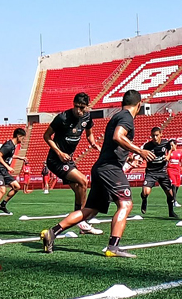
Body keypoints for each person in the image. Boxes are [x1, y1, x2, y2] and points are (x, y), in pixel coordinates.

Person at [40, 90, 155, 257]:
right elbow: (118, 137)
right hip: (109, 169)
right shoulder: (127, 118)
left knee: (90, 210)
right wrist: (139, 150)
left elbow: (113, 143)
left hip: (101, 167)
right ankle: (113, 247)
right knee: (125, 204)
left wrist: (129, 158)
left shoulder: (117, 116)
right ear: (139, 105)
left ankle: (52, 232)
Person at [42, 92, 103, 234]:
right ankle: (80, 220)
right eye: (76, 107)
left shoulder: (87, 117)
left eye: (82, 108)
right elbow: (46, 135)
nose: (78, 111)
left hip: (68, 159)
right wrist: (59, 152)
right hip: (55, 159)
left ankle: (80, 220)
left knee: (80, 190)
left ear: (87, 107)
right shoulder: (62, 117)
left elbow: (89, 133)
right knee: (83, 180)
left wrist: (93, 143)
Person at [0, 128, 26, 218]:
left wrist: (20, 158)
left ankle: (3, 205)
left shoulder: (12, 145)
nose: (23, 140)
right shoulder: (9, 145)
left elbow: (9, 155)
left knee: (17, 187)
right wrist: (7, 166)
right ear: (18, 136)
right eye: (23, 138)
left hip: (3, 170)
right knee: (2, 191)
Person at [140, 127, 178, 218]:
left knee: (170, 194)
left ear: (161, 134)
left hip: (162, 172)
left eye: (157, 135)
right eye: (153, 136)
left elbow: (171, 148)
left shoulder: (166, 143)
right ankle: (144, 200)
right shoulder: (147, 146)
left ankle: (171, 212)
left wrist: (168, 156)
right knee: (145, 192)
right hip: (151, 172)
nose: (155, 138)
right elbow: (143, 155)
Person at [167, 141, 182, 207]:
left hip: (177, 171)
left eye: (172, 145)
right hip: (170, 170)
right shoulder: (168, 152)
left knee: (177, 185)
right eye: (170, 145)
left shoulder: (179, 153)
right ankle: (175, 201)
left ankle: (172, 198)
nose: (171, 146)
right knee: (173, 184)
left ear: (175, 145)